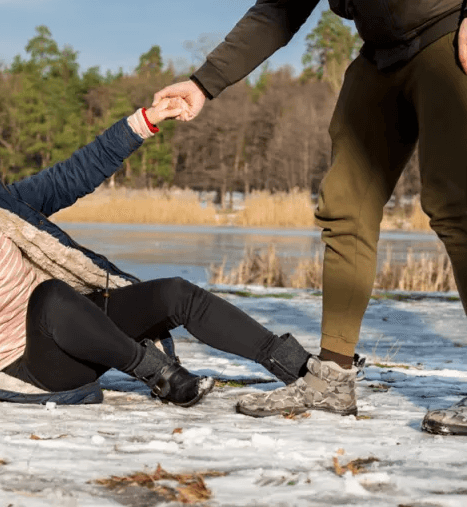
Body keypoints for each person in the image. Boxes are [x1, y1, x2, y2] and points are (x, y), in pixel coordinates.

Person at [153, 1, 467, 434]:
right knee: (344, 208)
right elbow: (277, 12)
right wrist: (203, 84)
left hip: (448, 36)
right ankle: (332, 380)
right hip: (380, 55)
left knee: (458, 205)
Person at [0, 101, 313, 408]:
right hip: (34, 368)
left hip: (83, 332)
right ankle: (158, 375)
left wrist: (145, 121)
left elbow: (74, 174)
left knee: (175, 292)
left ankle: (296, 366)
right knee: (50, 297)